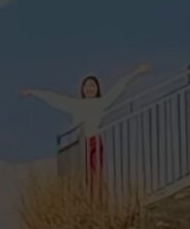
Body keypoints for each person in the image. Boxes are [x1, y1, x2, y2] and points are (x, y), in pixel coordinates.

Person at [21, 62, 150, 199]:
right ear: (82, 89)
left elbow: (118, 87)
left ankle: (97, 201)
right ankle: (83, 201)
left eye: (93, 86)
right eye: (87, 86)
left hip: (95, 141)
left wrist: (136, 72)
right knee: (81, 175)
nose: (90, 88)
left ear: (97, 89)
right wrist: (33, 92)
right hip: (81, 144)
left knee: (96, 175)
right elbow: (55, 98)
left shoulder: (101, 102)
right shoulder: (75, 104)